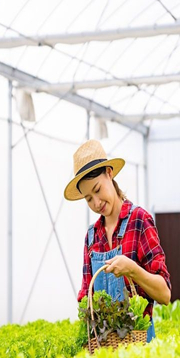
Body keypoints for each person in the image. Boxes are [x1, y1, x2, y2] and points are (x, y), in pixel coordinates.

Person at [64, 139, 171, 342]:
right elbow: (86, 298)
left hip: (141, 346)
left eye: (97, 190)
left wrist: (133, 270)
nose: (96, 203)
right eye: (88, 198)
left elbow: (164, 294)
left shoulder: (139, 221)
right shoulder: (91, 238)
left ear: (110, 173)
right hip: (105, 349)